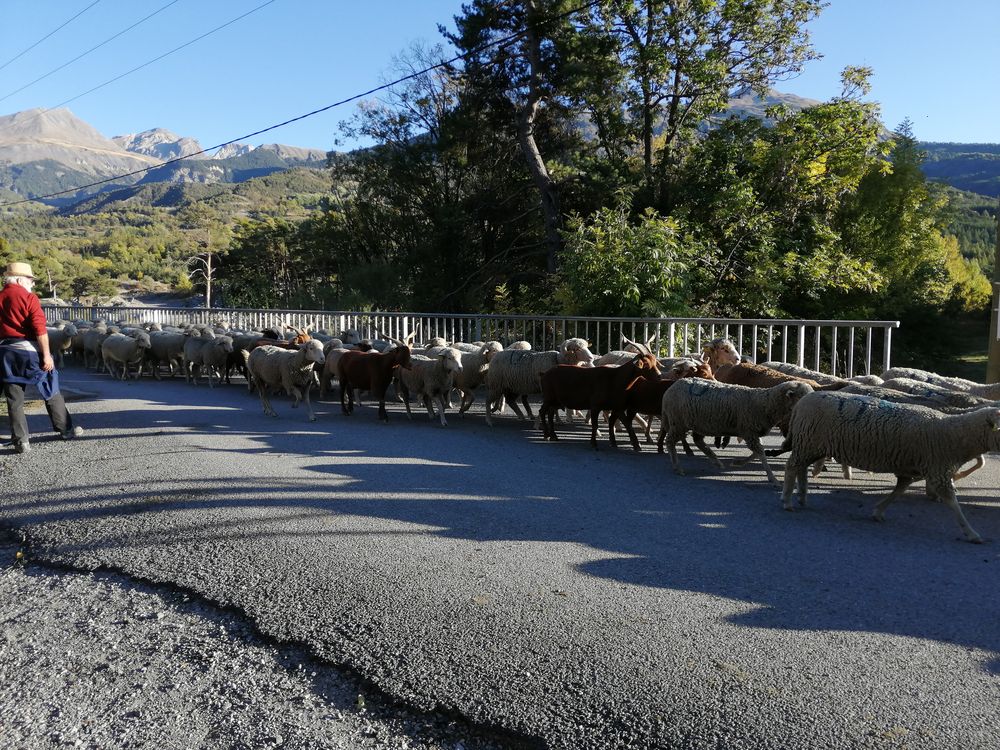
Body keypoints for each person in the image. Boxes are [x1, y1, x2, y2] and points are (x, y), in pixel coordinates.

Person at [0, 261, 83, 454]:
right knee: (50, 387)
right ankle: (65, 429)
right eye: (30, 279)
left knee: (14, 397)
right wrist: (47, 355)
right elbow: (40, 330)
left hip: (5, 353)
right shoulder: (29, 298)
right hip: (29, 351)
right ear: (20, 279)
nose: (32, 283)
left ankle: (21, 441)